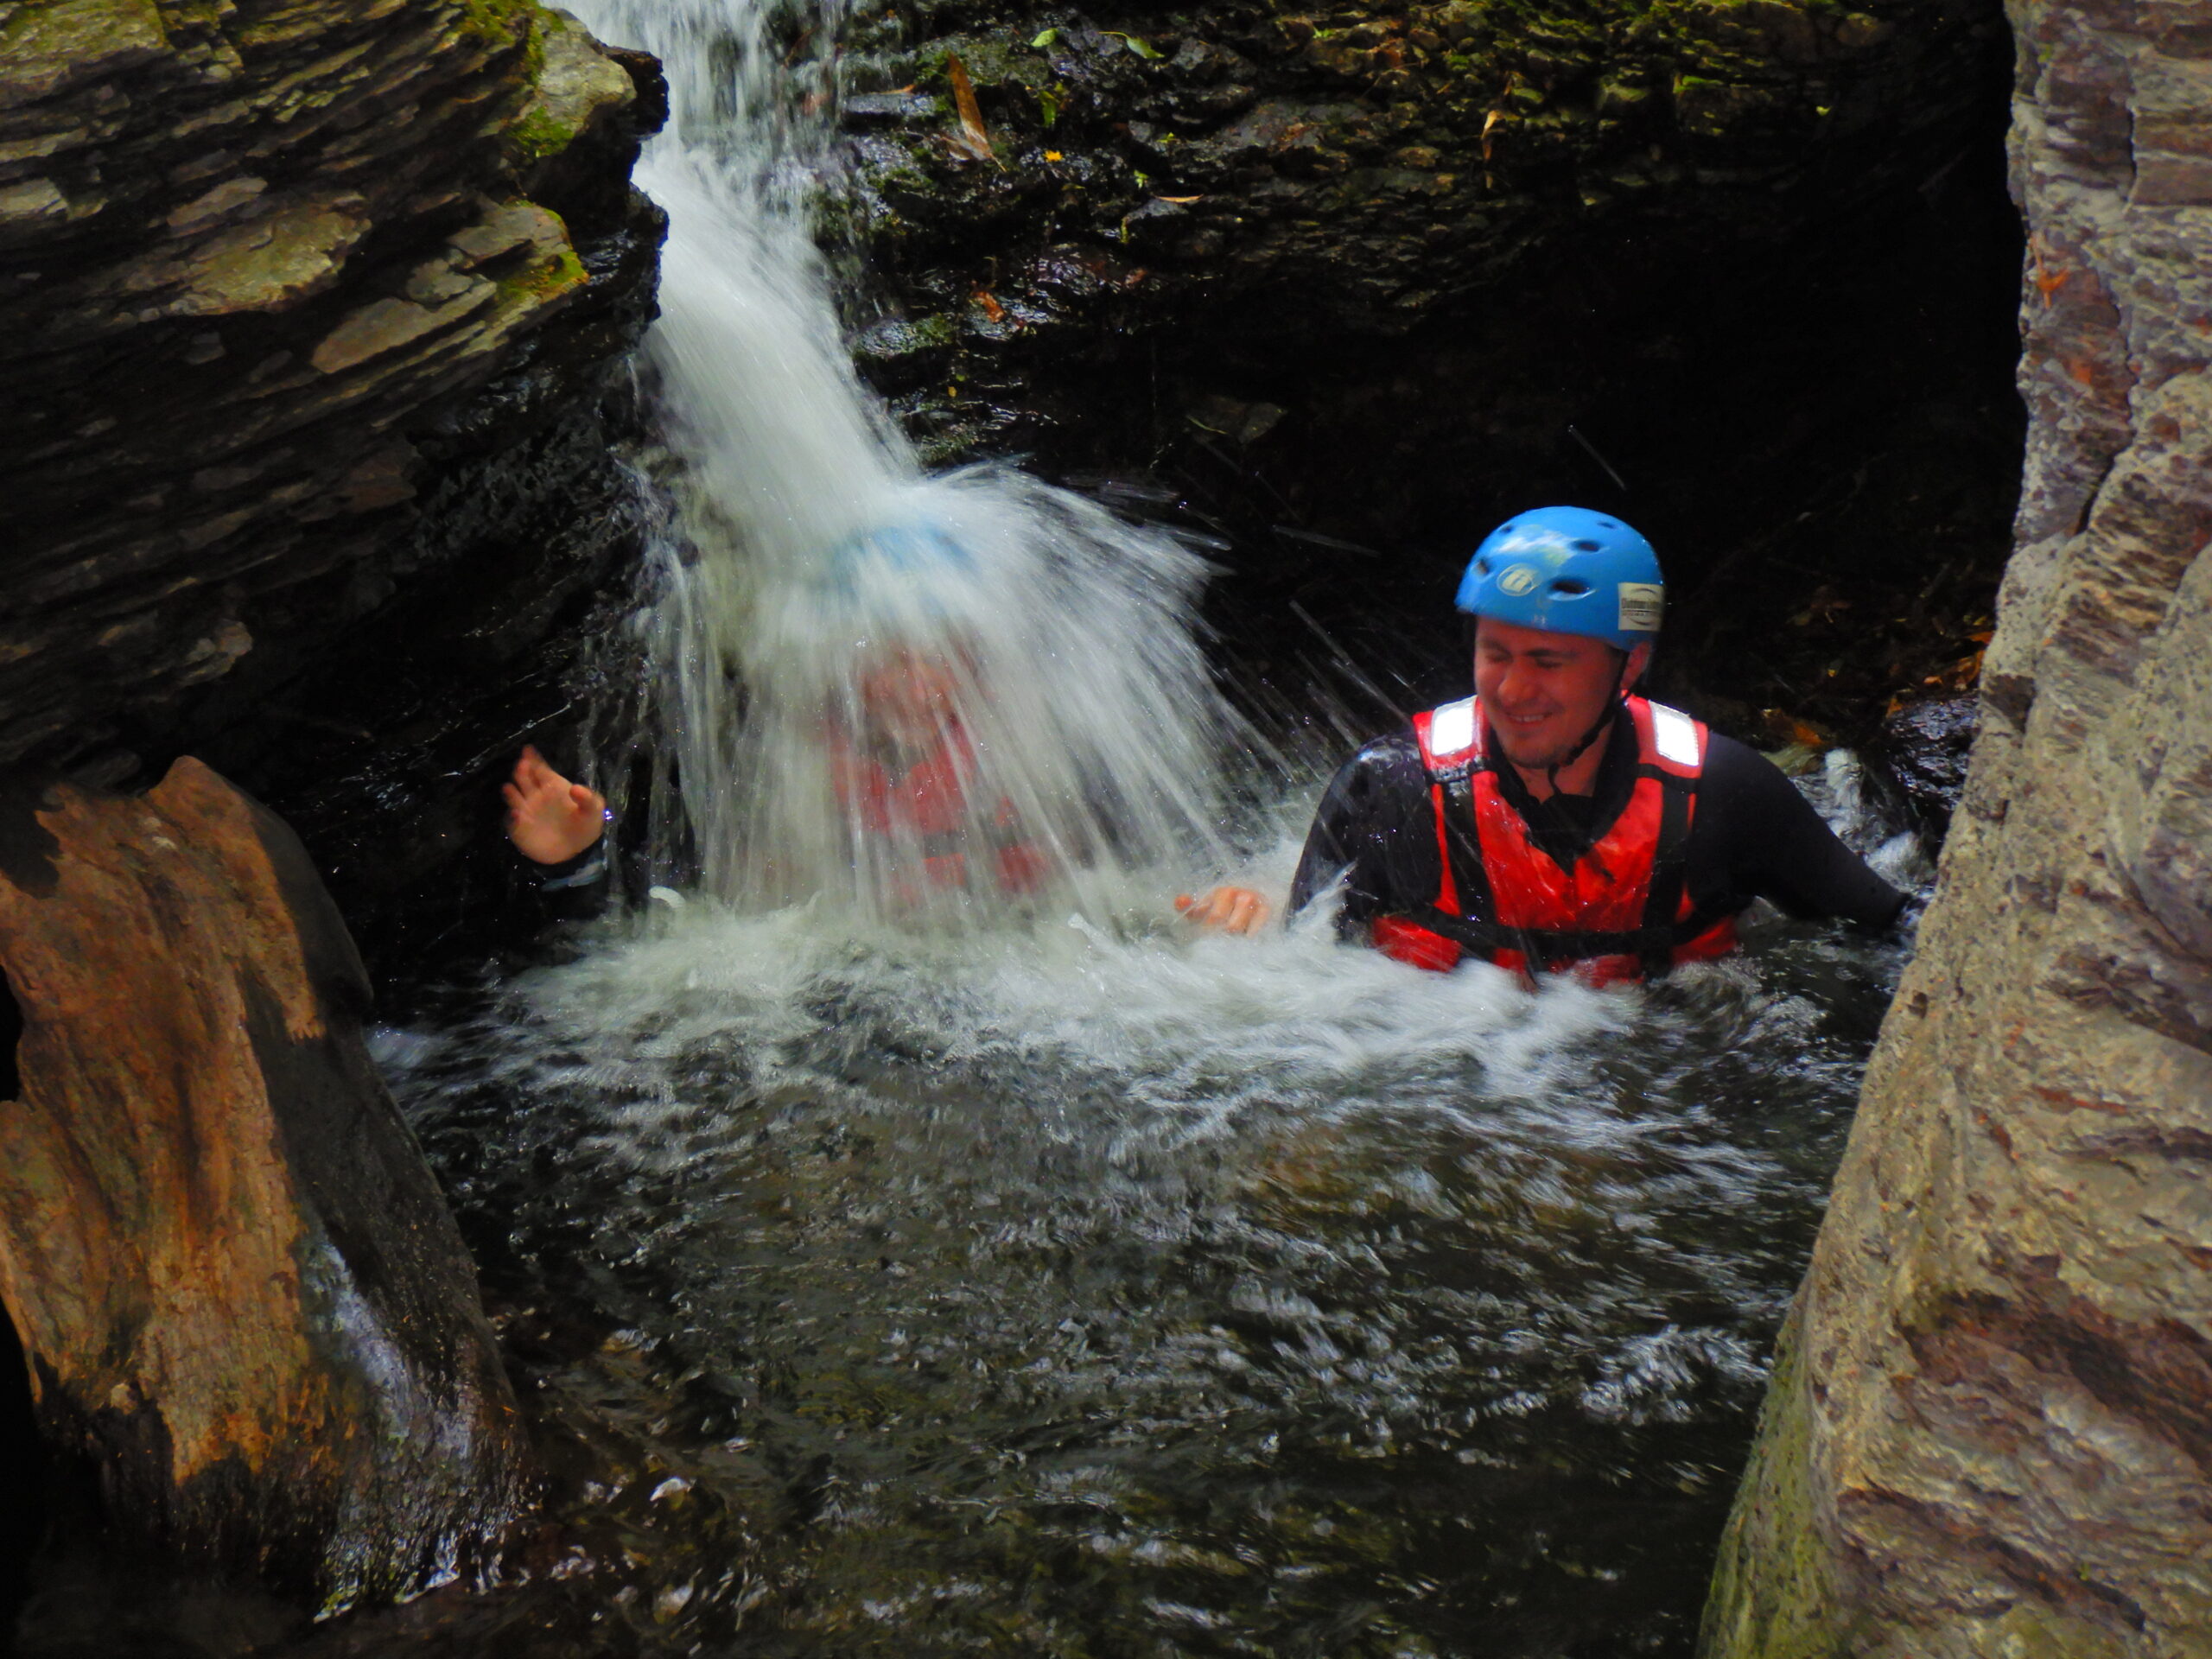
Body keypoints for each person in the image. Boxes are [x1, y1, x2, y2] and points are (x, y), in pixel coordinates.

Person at [1179, 506, 1906, 983]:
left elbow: (1893, 931)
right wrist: (1252, 913)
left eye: (1548, 662)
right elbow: (1301, 962)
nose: (1513, 689)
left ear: (1629, 666)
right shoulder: (1391, 786)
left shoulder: (1723, 792)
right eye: (1495, 654)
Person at [504, 639, 1051, 905]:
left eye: (939, 656)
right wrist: (577, 858)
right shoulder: (759, 771)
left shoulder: (1034, 765)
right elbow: (652, 916)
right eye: (890, 660)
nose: (916, 689)